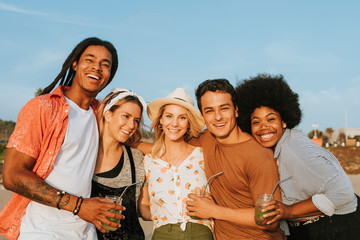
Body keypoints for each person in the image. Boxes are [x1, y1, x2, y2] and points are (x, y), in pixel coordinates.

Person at [0, 37, 124, 240]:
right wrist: (79, 205)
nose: (97, 68)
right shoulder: (43, 107)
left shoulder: (101, 115)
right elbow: (12, 175)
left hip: (85, 232)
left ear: (110, 75)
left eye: (105, 65)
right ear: (75, 63)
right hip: (42, 232)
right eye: (89, 60)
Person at [235, 73, 360, 240]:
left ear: (284, 121)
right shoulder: (278, 148)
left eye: (270, 119)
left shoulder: (294, 148)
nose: (263, 127)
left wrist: (288, 211)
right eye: (256, 122)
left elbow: (343, 192)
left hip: (335, 227)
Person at [186, 79, 285, 239]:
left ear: (236, 110)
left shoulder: (258, 156)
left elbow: (269, 219)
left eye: (224, 108)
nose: (218, 117)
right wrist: (134, 142)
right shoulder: (206, 139)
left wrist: (213, 210)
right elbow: (168, 148)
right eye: (210, 111)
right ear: (202, 116)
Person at [138, 88, 214, 240]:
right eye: (169, 116)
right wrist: (165, 216)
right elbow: (144, 207)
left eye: (182, 118)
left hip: (201, 234)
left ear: (188, 123)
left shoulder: (203, 156)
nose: (174, 123)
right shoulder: (149, 162)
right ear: (160, 120)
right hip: (163, 234)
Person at [91, 88, 147, 240]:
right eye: (126, 116)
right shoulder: (83, 154)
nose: (131, 125)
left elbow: (144, 208)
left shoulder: (137, 158)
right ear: (108, 115)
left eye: (136, 120)